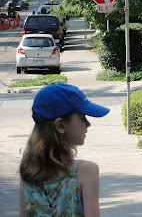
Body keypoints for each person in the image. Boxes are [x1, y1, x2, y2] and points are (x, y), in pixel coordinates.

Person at [19, 83, 110, 216]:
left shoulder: (27, 173)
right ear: (60, 125)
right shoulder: (86, 171)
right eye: (82, 117)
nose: (88, 124)